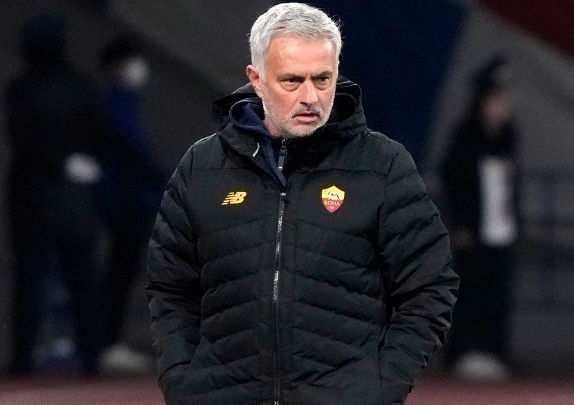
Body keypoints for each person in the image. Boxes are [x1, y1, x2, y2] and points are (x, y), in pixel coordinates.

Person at [146, 3, 458, 404]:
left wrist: (379, 389)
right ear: (257, 79)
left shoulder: (382, 166)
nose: (310, 96)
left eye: (322, 79)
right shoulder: (202, 167)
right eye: (292, 80)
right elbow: (170, 287)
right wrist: (184, 383)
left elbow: (430, 285)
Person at [4, 11, 106, 376]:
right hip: (77, 196)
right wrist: (82, 167)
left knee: (31, 280)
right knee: (83, 281)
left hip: (34, 198)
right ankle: (92, 358)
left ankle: (22, 359)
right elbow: (101, 134)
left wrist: (59, 165)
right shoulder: (82, 87)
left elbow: (22, 142)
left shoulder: (22, 89)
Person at [439, 56, 520, 380]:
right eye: (496, 99)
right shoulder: (465, 136)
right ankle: (461, 354)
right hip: (474, 231)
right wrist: (460, 224)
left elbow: (512, 184)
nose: (502, 106)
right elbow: (452, 181)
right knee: (469, 292)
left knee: (498, 295)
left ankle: (496, 353)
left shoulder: (509, 135)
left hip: (503, 228)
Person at [96, 34, 166, 373]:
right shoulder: (117, 102)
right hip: (126, 200)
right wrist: (159, 175)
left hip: (129, 198)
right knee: (119, 271)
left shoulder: (125, 102)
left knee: (122, 271)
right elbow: (132, 148)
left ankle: (109, 341)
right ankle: (107, 342)